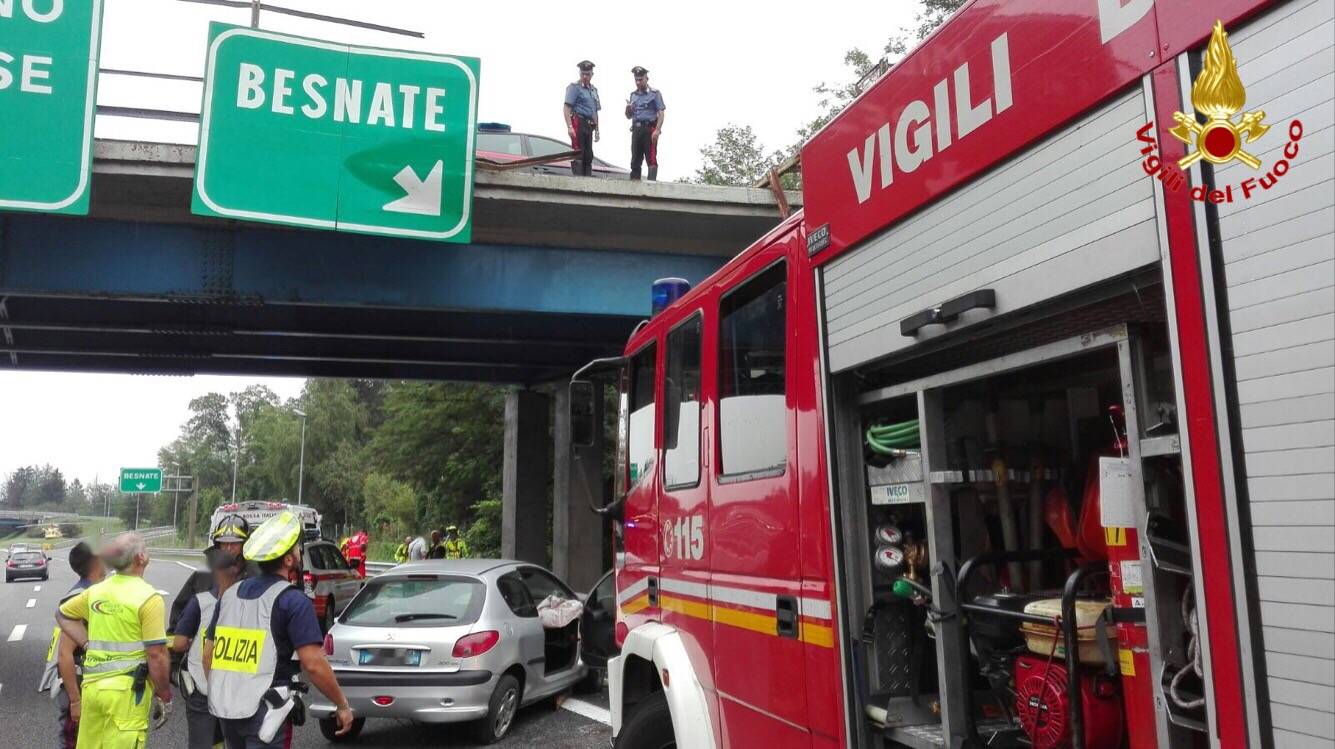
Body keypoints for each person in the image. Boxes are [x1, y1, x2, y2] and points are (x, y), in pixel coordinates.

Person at [205, 511, 354, 747]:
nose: (299, 552)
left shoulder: (230, 594)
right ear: (288, 560)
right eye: (296, 548)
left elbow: (209, 653)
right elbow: (314, 664)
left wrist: (222, 693)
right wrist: (342, 704)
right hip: (267, 711)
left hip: (228, 711)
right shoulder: (294, 601)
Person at [56, 532, 173, 749]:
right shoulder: (149, 598)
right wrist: (164, 693)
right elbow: (156, 654)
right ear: (140, 558)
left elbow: (62, 614)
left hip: (93, 691)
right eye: (145, 549)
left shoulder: (96, 591)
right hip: (126, 694)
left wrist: (86, 643)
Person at [170, 519, 251, 749]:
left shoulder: (256, 576)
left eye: (234, 543)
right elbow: (179, 624)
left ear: (245, 544)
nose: (228, 548)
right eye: (222, 543)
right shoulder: (202, 576)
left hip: (244, 685)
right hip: (203, 682)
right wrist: (175, 665)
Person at [38, 541, 106, 749]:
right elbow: (64, 654)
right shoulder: (80, 598)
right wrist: (75, 701)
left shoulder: (93, 593)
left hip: (90, 682)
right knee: (73, 741)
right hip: (78, 683)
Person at [625, 66, 666, 181]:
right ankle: (634, 187)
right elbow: (628, 116)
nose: (638, 82)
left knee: (651, 158)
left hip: (649, 129)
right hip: (636, 129)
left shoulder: (655, 94)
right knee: (635, 159)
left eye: (640, 79)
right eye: (636, 80)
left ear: (646, 78)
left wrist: (657, 130)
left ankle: (651, 186)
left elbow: (661, 112)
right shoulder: (633, 95)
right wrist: (628, 109)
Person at [563, 60, 601, 176]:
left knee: (588, 155)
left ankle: (587, 182)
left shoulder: (594, 90)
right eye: (583, 73)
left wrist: (597, 130)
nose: (585, 76)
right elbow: (566, 108)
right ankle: (579, 182)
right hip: (578, 122)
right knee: (579, 153)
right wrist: (570, 127)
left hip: (590, 126)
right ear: (580, 73)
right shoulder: (574, 87)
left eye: (587, 74)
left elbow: (595, 112)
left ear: (592, 75)